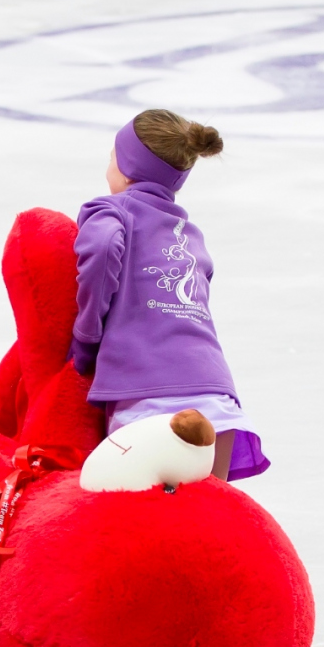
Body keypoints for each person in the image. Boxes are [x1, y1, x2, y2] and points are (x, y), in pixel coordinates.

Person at [67, 109, 269, 482]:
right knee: (212, 516)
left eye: (112, 156)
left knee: (135, 520)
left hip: (148, 395)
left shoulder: (111, 211)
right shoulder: (189, 232)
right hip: (216, 397)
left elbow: (103, 249)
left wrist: (86, 335)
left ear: (127, 168)